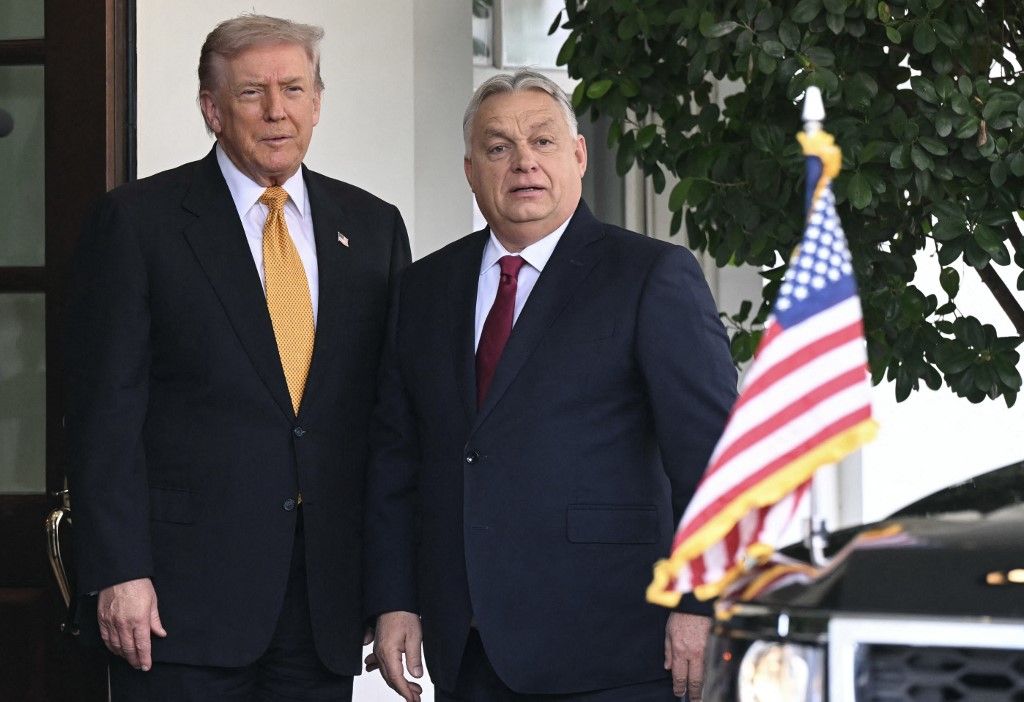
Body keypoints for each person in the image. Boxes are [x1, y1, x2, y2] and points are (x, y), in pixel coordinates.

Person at [65, 14, 410, 701]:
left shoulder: (374, 227)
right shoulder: (138, 222)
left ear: (318, 102)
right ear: (212, 110)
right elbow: (104, 413)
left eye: (294, 88)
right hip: (176, 604)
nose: (277, 110)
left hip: (322, 604)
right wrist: (118, 570)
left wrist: (394, 590)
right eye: (253, 92)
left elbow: (392, 422)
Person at [363, 70, 737, 702]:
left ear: (579, 155)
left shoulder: (650, 275)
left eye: (543, 141)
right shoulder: (424, 288)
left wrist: (703, 603)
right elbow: (397, 457)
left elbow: (714, 456)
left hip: (615, 645)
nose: (524, 162)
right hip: (467, 647)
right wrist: (395, 598)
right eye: (499, 147)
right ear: (471, 170)